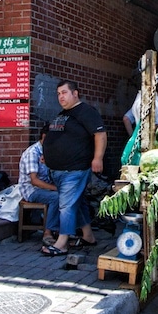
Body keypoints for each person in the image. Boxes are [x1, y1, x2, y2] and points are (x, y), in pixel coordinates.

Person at [40, 79, 107, 256]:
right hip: (58, 170)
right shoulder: (63, 114)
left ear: (75, 93)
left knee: (66, 205)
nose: (60, 97)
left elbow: (100, 134)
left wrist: (97, 158)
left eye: (64, 92)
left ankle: (62, 243)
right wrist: (46, 154)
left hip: (75, 169)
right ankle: (88, 236)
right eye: (58, 94)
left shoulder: (86, 111)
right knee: (78, 203)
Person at [17, 123, 59, 246]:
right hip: (31, 190)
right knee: (56, 198)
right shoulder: (33, 153)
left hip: (46, 186)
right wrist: (55, 189)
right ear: (44, 136)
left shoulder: (50, 151)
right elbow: (34, 181)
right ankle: (48, 232)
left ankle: (64, 230)